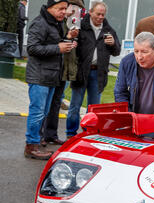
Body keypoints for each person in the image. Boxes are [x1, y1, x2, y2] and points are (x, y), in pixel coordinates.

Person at [24, 0, 74, 160]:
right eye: (60, 9)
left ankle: (36, 143)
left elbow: (53, 43)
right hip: (39, 76)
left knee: (43, 112)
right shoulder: (40, 23)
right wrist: (58, 48)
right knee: (37, 113)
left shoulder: (55, 23)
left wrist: (67, 40)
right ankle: (31, 146)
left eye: (65, 9)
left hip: (51, 75)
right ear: (50, 7)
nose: (64, 12)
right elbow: (31, 48)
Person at [66, 1, 121, 138]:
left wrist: (113, 44)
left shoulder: (109, 30)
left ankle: (89, 134)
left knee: (94, 108)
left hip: (98, 74)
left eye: (103, 14)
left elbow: (117, 51)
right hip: (81, 72)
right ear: (90, 12)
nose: (101, 17)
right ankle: (70, 134)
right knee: (75, 106)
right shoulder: (81, 27)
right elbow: (71, 47)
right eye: (98, 14)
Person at [41, 0, 85, 147]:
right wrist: (67, 37)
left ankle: (51, 134)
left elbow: (65, 42)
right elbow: (53, 42)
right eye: (75, 7)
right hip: (52, 67)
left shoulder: (75, 22)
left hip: (65, 68)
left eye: (79, 8)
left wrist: (72, 41)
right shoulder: (56, 20)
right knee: (45, 104)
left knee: (56, 102)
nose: (77, 11)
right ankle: (39, 136)